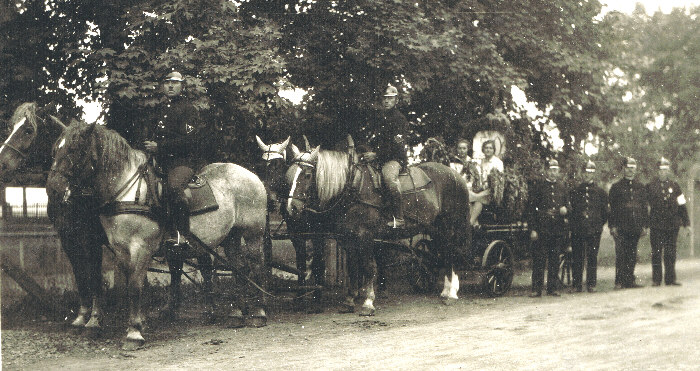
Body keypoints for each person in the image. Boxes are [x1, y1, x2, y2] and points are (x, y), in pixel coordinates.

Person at [143, 70, 213, 245]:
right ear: (163, 86)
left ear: (182, 86)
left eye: (175, 83)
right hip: (160, 162)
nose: (170, 86)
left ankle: (182, 235)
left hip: (182, 162)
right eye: (167, 83)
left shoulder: (188, 110)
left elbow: (190, 141)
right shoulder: (160, 110)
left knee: (174, 187)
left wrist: (160, 147)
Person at [367, 85, 409, 229]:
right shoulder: (379, 118)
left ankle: (399, 217)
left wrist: (376, 154)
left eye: (390, 98)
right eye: (384, 98)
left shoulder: (400, 119)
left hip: (394, 158)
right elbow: (374, 140)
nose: (386, 101)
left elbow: (397, 145)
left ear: (396, 100)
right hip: (378, 158)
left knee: (389, 178)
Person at [527, 159, 570, 297]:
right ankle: (536, 289)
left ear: (558, 172)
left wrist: (565, 209)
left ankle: (552, 288)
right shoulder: (539, 186)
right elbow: (531, 210)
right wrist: (533, 229)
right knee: (539, 259)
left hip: (556, 228)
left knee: (554, 259)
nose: (553, 173)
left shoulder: (562, 187)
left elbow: (568, 206)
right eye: (551, 170)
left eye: (555, 170)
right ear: (546, 171)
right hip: (542, 228)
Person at [646, 157, 690, 286]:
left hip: (672, 225)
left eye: (665, 170)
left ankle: (670, 279)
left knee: (670, 253)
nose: (662, 173)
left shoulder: (675, 186)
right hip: (656, 225)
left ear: (668, 171)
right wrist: (646, 223)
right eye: (660, 170)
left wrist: (686, 224)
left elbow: (682, 205)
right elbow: (645, 207)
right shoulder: (650, 186)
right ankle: (656, 279)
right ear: (657, 171)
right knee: (657, 253)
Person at [608, 157, 648, 289]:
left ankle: (630, 280)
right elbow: (612, 209)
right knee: (621, 254)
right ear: (623, 169)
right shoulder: (616, 187)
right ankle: (619, 281)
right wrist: (612, 226)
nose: (630, 170)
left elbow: (643, 207)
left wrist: (644, 225)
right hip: (621, 227)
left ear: (635, 170)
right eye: (627, 168)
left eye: (632, 168)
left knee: (632, 254)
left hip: (635, 226)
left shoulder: (640, 187)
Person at [569, 160, 608, 293]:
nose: (588, 175)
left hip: (594, 229)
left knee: (592, 257)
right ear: (582, 173)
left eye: (590, 172)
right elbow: (571, 211)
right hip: (578, 229)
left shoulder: (600, 192)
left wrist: (598, 224)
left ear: (594, 174)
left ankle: (591, 284)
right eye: (585, 172)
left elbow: (605, 212)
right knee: (577, 257)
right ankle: (576, 284)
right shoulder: (575, 191)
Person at [469, 140, 503, 226]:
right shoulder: (481, 161)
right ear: (483, 149)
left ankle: (470, 223)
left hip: (491, 191)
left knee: (475, 199)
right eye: (486, 148)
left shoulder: (497, 162)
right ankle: (474, 223)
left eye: (490, 148)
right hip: (480, 189)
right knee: (472, 201)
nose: (488, 150)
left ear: (494, 150)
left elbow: (497, 182)